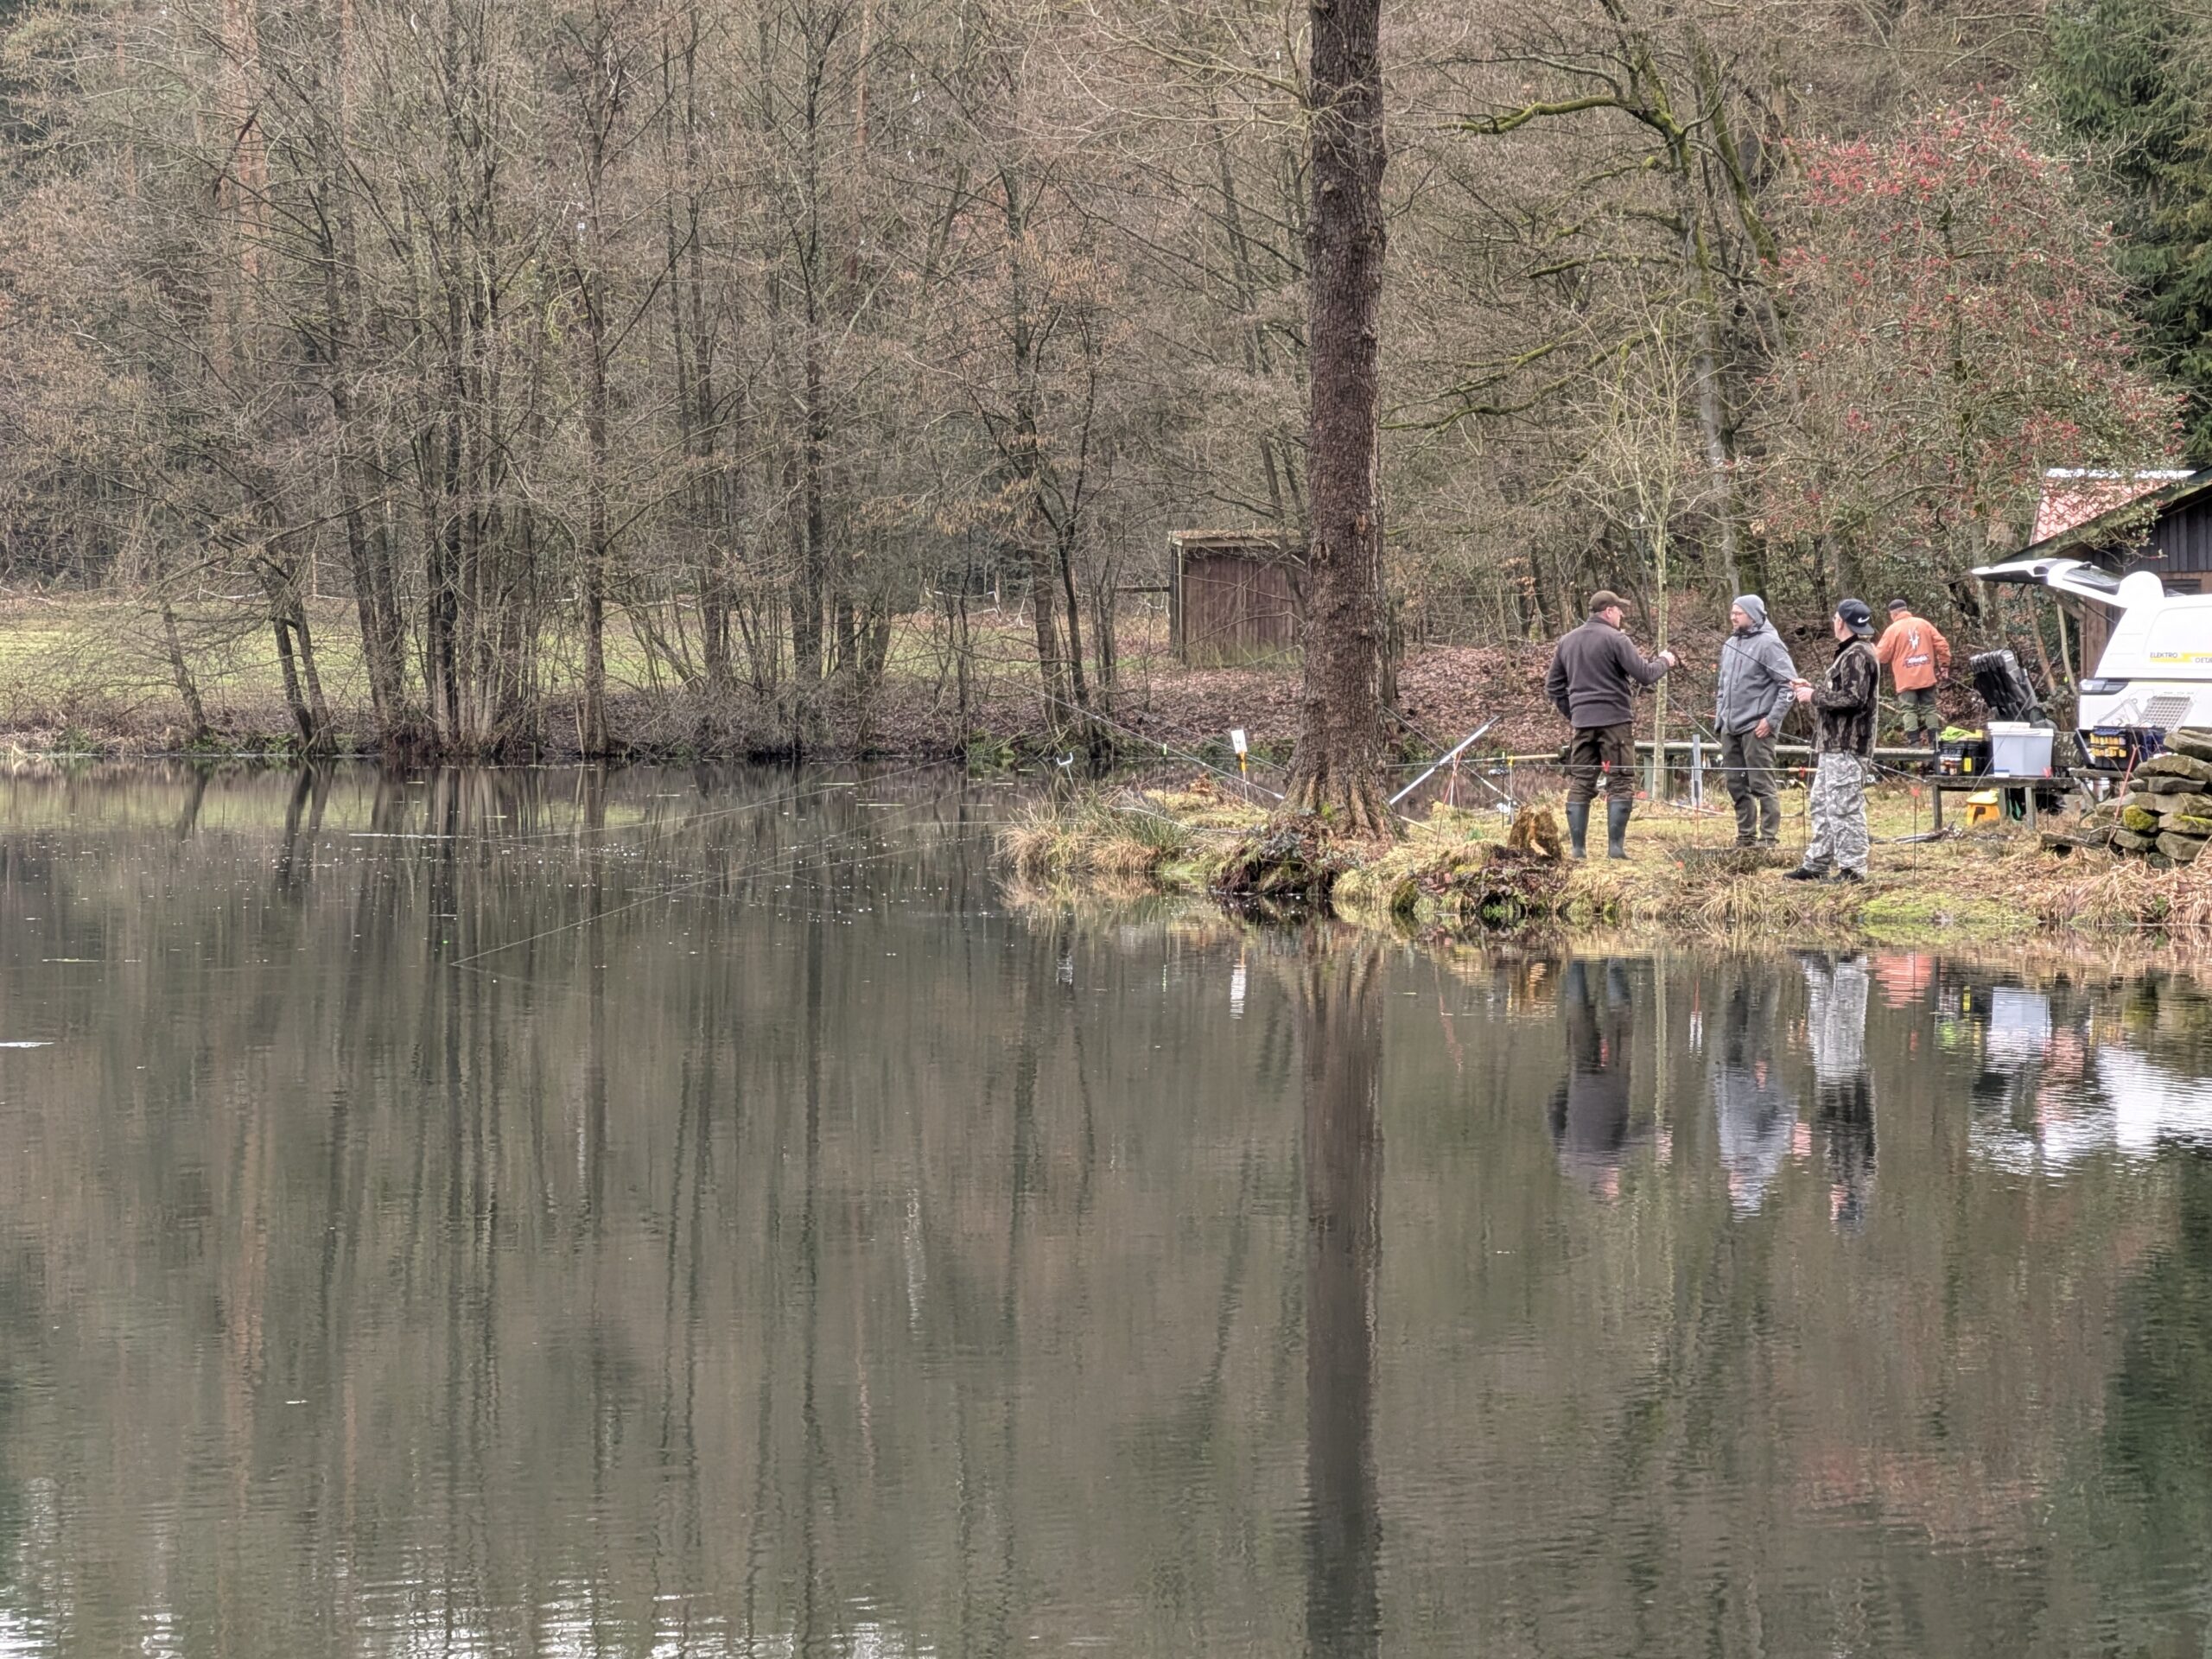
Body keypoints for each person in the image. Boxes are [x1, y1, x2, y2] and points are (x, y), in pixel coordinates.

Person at [1545, 590, 1677, 859]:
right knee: (1620, 780)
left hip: (1582, 725)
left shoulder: (1566, 642)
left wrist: (1575, 713)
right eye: (1619, 610)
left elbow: (1553, 686)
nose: (1622, 615)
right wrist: (1665, 661)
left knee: (1581, 780)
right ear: (1608, 611)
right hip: (1615, 723)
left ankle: (1578, 850)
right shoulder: (1617, 639)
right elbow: (1645, 675)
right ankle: (1615, 849)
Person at [1783, 599, 1881, 883]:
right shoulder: (1851, 653)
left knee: (1844, 806)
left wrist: (1813, 697)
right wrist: (1812, 689)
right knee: (1822, 803)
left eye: (1835, 617)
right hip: (1833, 745)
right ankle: (1817, 864)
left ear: (1841, 622)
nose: (1833, 621)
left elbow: (1853, 699)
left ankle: (1852, 869)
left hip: (1849, 746)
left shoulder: (1858, 654)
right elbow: (1843, 692)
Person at [1712, 594, 1797, 849]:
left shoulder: (1770, 644)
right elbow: (1722, 686)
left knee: (1761, 783)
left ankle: (1769, 838)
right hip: (1730, 727)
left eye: (1738, 613)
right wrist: (1720, 719)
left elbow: (1789, 686)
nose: (1733, 617)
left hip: (1757, 729)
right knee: (1736, 785)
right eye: (1732, 612)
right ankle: (1745, 836)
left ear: (1754, 615)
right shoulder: (1729, 644)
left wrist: (1771, 721)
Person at [1874, 598, 1951, 755]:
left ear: (1893, 614)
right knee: (1930, 708)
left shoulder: (1892, 630)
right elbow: (1942, 644)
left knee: (1909, 710)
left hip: (1906, 679)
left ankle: (1914, 745)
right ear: (1906, 609)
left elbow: (1881, 656)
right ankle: (1934, 742)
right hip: (1926, 676)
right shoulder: (1923, 624)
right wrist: (1944, 665)